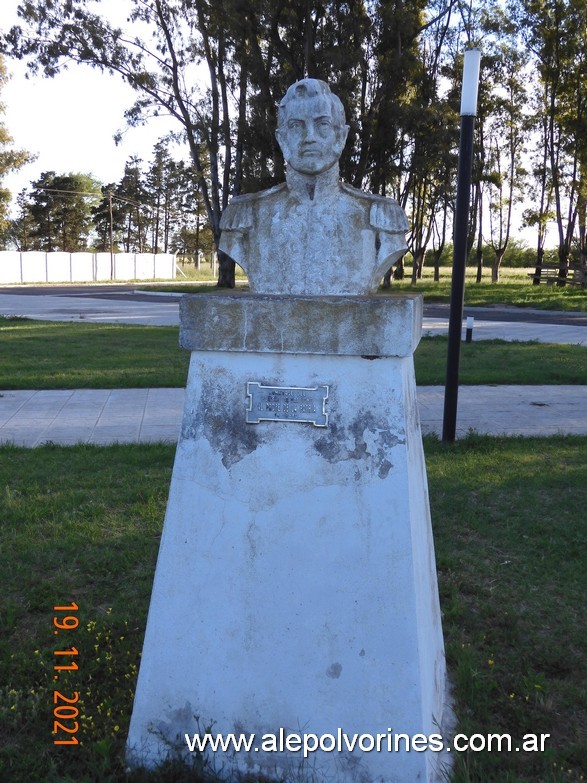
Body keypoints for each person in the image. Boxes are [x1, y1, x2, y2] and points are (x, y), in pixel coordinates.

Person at [219, 78, 407, 296]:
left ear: (341, 136)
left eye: (323, 125)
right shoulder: (248, 214)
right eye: (296, 126)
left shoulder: (378, 217)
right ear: (282, 139)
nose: (310, 137)